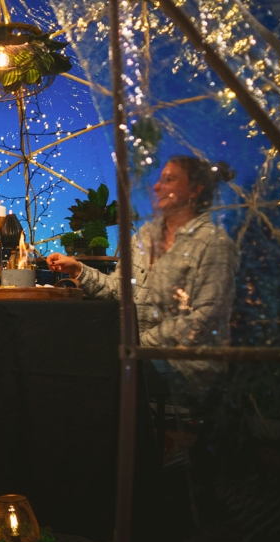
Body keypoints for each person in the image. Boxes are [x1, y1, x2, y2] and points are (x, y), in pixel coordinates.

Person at [47, 155, 239, 397]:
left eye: (168, 180)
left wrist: (138, 344)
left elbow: (204, 319)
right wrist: (78, 270)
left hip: (184, 363)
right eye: (159, 180)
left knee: (94, 373)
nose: (157, 186)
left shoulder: (213, 243)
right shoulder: (145, 237)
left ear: (195, 190)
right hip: (134, 353)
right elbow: (118, 290)